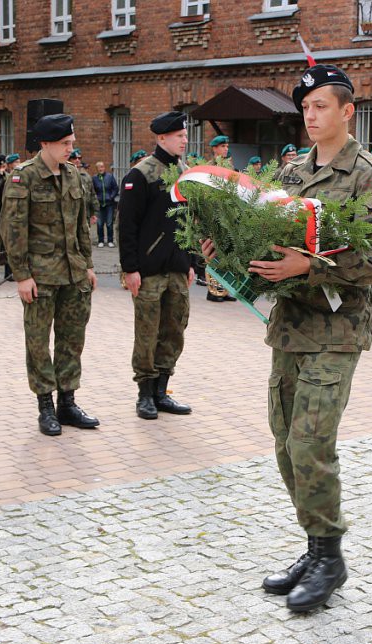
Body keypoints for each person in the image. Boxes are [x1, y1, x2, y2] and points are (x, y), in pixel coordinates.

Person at [201, 64, 372, 613]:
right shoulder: (291, 173)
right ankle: (315, 547)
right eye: (305, 109)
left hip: (336, 331)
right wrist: (226, 256)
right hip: (289, 328)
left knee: (311, 444)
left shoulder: (369, 176)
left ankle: (331, 558)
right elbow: (268, 244)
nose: (311, 117)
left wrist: (305, 269)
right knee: (287, 443)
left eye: (321, 107)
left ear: (347, 111)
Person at [0, 113, 99, 436]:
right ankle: (45, 406)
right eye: (64, 143)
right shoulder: (22, 178)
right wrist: (22, 275)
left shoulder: (76, 177)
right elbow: (12, 229)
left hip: (74, 275)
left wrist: (89, 265)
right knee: (39, 342)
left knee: (72, 340)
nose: (71, 148)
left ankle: (67, 402)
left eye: (71, 142)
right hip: (40, 276)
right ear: (44, 144)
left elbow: (83, 226)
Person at [118, 111, 196, 420]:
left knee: (174, 330)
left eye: (185, 135)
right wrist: (130, 268)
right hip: (148, 272)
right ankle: (145, 394)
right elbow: (127, 225)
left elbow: (188, 222)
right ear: (161, 138)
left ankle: (163, 391)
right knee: (147, 334)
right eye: (179, 135)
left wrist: (190, 262)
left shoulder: (186, 174)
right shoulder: (141, 174)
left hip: (177, 268)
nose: (184, 140)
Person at [205, 136, 237, 303]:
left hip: (228, 216)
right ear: (215, 149)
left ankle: (226, 290)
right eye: (223, 146)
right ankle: (213, 291)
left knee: (228, 254)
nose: (225, 149)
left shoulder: (230, 167)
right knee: (213, 254)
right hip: (213, 216)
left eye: (227, 146)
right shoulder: (209, 167)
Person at [92, 160, 118, 247]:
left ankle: (110, 240)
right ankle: (101, 240)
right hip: (99, 204)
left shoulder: (110, 177)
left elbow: (115, 188)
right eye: (99, 167)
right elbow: (93, 190)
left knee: (110, 223)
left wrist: (111, 196)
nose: (101, 169)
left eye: (102, 167)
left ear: (104, 168)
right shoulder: (94, 178)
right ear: (96, 169)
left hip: (109, 203)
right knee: (99, 223)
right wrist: (95, 198)